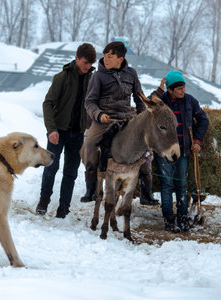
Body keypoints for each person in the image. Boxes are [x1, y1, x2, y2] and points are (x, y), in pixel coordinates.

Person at [80, 41, 158, 205]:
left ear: (120, 59)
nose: (106, 59)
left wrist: (143, 118)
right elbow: (90, 102)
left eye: (110, 56)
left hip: (127, 119)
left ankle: (146, 192)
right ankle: (91, 189)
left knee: (146, 149)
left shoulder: (131, 73)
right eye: (105, 55)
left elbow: (139, 99)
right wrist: (99, 114)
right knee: (90, 145)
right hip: (104, 120)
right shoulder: (97, 76)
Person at [36, 43, 97, 218]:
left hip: (78, 133)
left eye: (90, 64)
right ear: (77, 58)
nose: (87, 67)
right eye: (85, 62)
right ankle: (44, 201)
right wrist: (51, 129)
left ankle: (64, 208)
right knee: (51, 167)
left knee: (71, 172)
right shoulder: (61, 77)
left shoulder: (92, 80)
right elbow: (48, 103)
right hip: (58, 132)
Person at [151, 70, 209, 232]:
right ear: (170, 90)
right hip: (165, 151)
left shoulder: (190, 101)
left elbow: (203, 119)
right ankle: (168, 218)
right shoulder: (161, 101)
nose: (182, 91)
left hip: (183, 150)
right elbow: (147, 103)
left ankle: (182, 217)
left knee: (181, 184)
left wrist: (197, 140)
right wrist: (160, 88)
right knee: (167, 184)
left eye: (183, 87)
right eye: (178, 89)